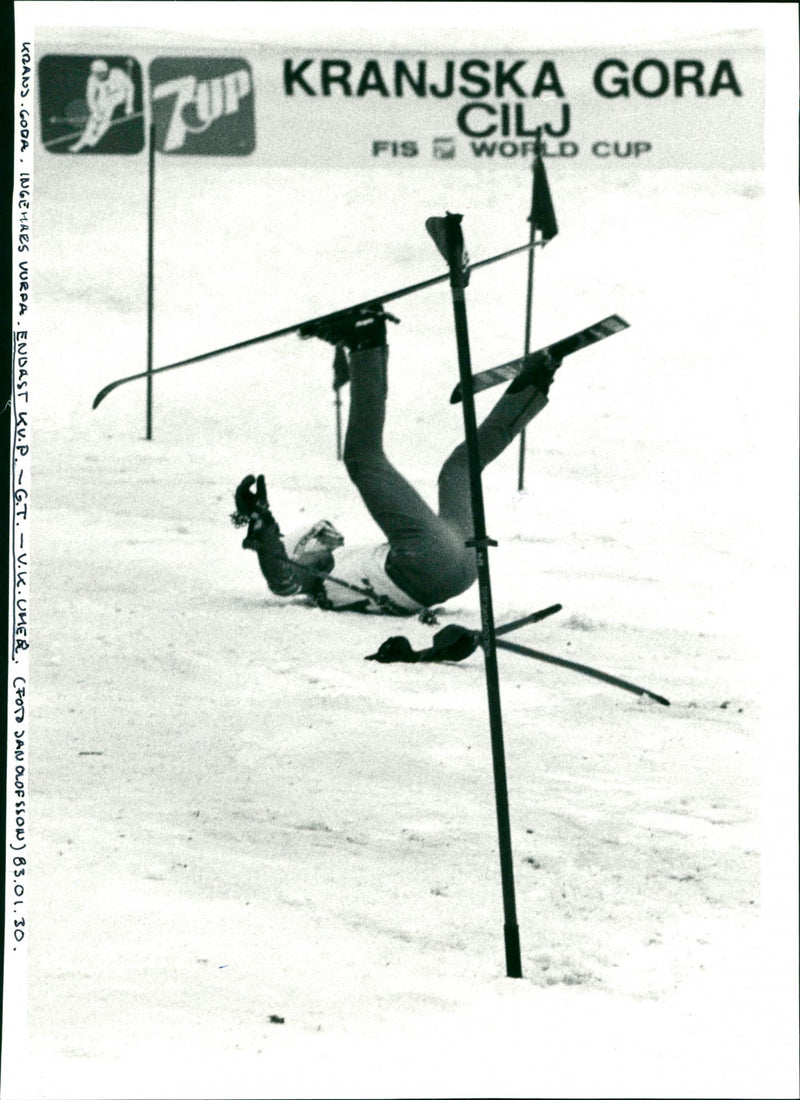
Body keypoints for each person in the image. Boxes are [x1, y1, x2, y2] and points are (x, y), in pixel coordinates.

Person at [232, 306, 561, 616]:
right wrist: (263, 526)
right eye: (319, 538)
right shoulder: (312, 577)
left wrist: (263, 522)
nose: (329, 538)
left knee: (459, 468)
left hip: (459, 567)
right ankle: (366, 341)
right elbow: (280, 579)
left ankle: (534, 383)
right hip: (427, 564)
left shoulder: (341, 568)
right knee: (362, 457)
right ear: (300, 555)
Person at [70, 59, 135, 153]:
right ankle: (83, 142)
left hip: (120, 94)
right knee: (94, 118)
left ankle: (94, 137)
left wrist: (129, 107)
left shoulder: (117, 73)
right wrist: (95, 112)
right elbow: (90, 97)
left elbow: (130, 88)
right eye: (97, 74)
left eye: (101, 74)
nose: (99, 77)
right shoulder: (92, 79)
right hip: (105, 96)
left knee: (106, 112)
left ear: (107, 70)